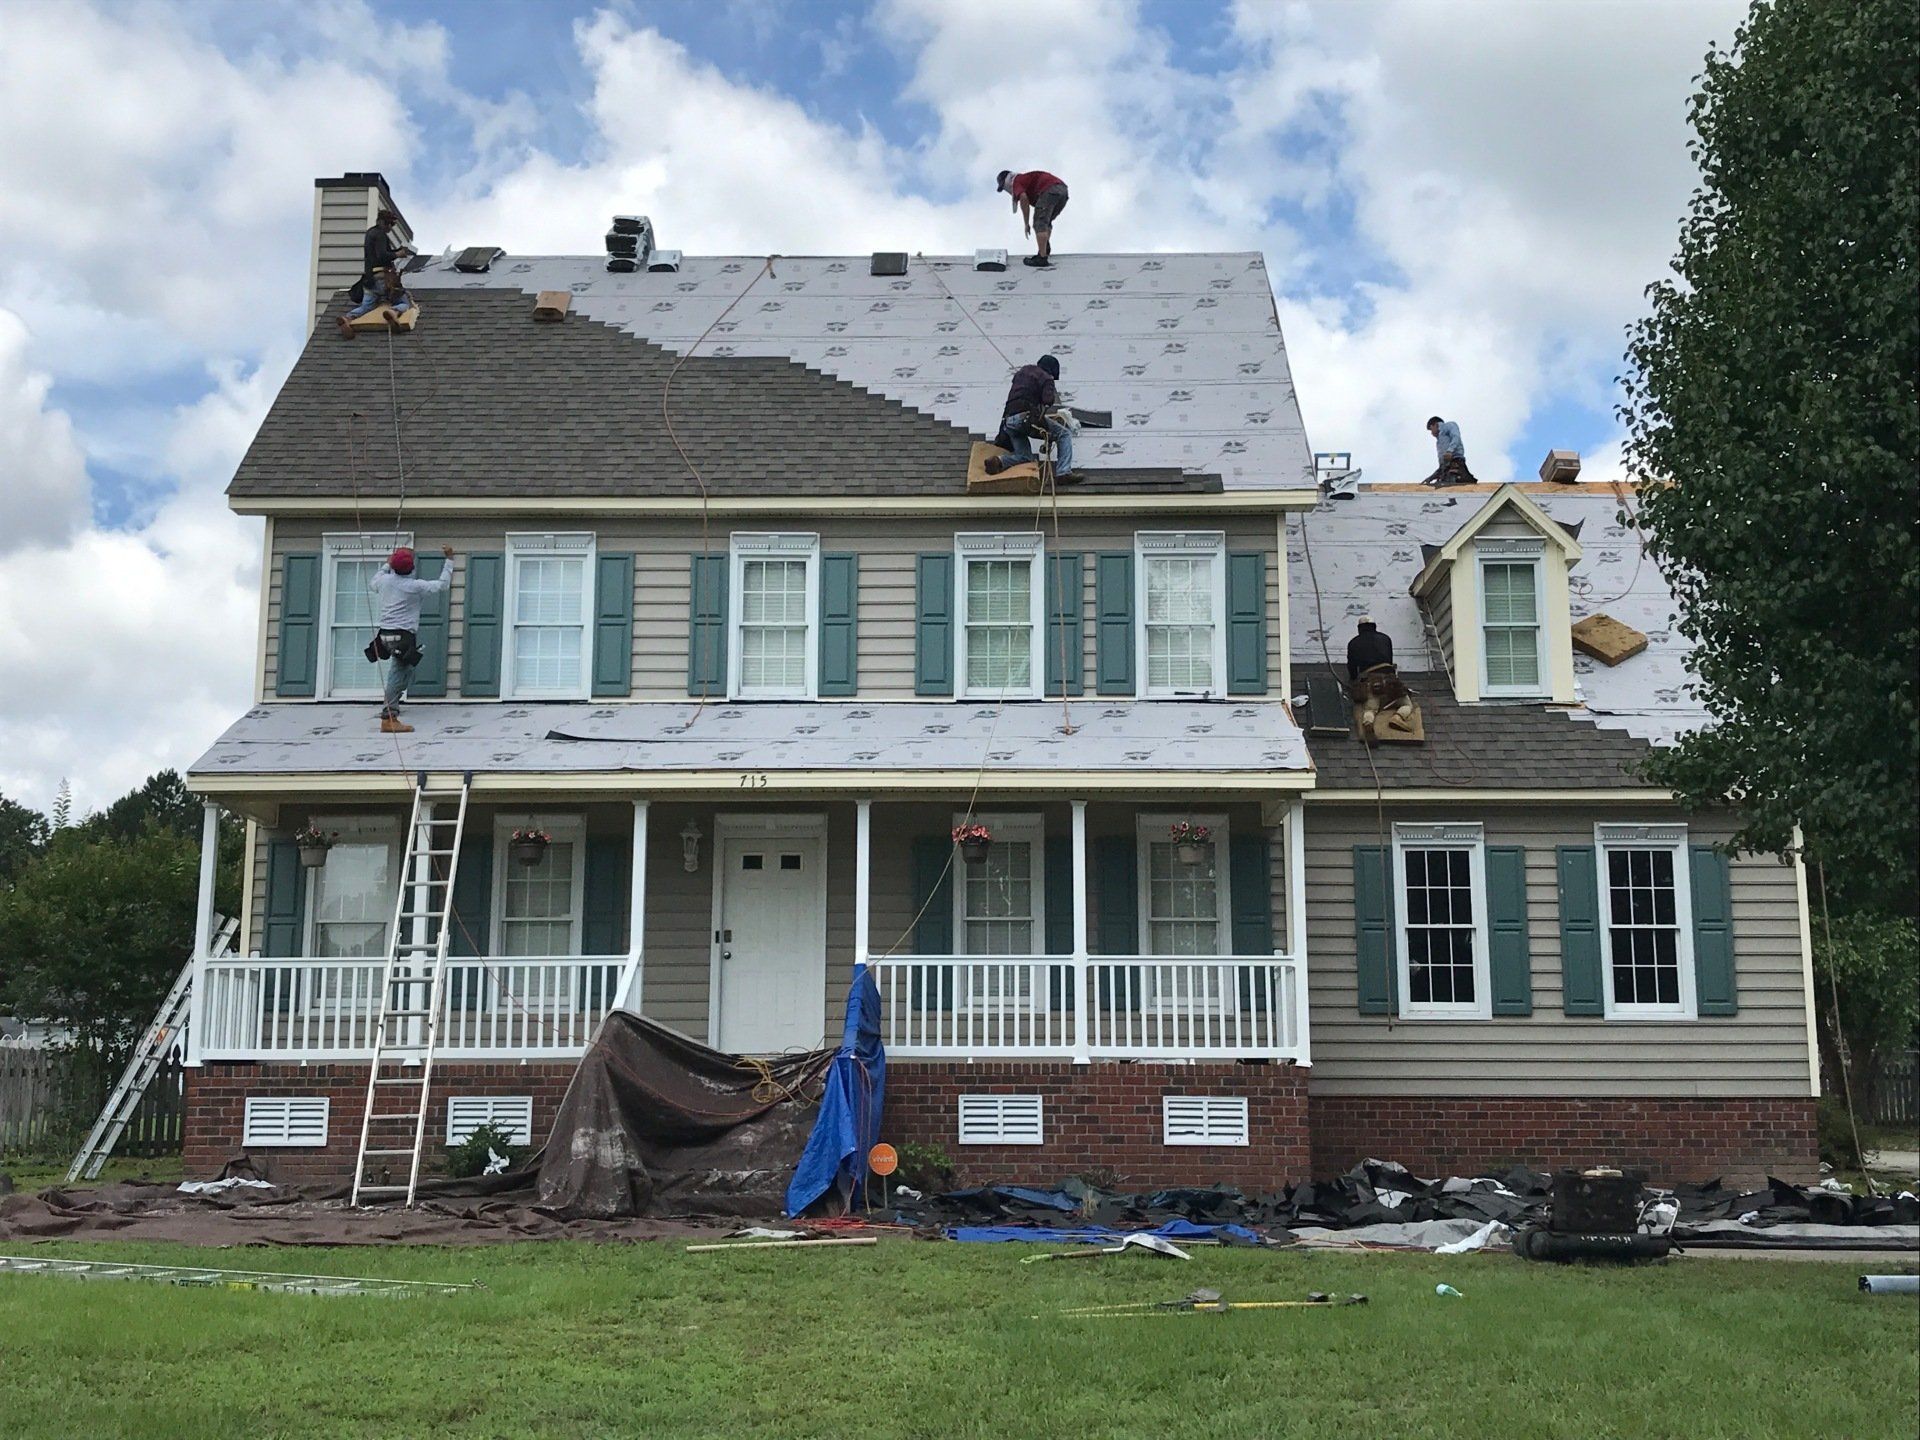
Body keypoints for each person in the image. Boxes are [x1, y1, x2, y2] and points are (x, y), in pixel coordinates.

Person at [368, 546, 454, 733]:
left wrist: (386, 564)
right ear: (411, 568)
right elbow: (442, 585)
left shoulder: (384, 581)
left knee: (399, 672)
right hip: (403, 637)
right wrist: (449, 560)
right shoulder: (414, 586)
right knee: (398, 675)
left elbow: (373, 582)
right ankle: (389, 717)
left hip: (384, 636)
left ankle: (391, 709)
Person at [984, 354, 1076, 480]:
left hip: (1009, 422)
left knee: (1025, 457)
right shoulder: (1046, 377)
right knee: (1064, 434)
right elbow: (1048, 400)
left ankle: (998, 461)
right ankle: (1063, 472)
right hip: (1025, 419)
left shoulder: (1023, 372)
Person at [1347, 617, 1415, 733]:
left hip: (1370, 681)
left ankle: (1368, 723)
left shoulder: (1354, 643)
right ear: (1374, 626)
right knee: (1406, 704)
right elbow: (1389, 660)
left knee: (1370, 709)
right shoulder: (1385, 639)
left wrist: (1353, 680)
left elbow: (1352, 667)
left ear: (1359, 628)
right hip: (1390, 681)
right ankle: (1397, 717)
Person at [996, 169, 1069, 267]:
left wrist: (1026, 224)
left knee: (1039, 223)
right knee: (1046, 222)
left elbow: (1023, 198)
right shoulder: (1024, 179)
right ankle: (1044, 249)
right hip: (1062, 191)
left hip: (1049, 189)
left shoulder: (1016, 181)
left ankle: (1042, 258)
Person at [338, 266, 414, 337]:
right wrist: (397, 254)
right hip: (385, 278)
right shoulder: (381, 252)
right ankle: (394, 311)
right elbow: (384, 255)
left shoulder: (368, 252)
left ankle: (348, 317)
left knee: (366, 307)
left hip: (369, 281)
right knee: (404, 303)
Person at [1422, 415, 1479, 486]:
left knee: (1451, 485)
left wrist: (1450, 451)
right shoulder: (1439, 442)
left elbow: (1456, 437)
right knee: (1444, 488)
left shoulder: (1448, 426)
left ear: (1436, 424)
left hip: (1456, 464)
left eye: (1431, 429)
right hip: (1447, 470)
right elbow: (1443, 465)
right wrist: (1431, 477)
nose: (1431, 433)